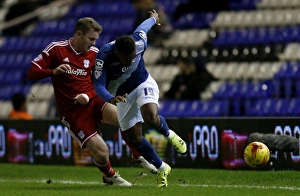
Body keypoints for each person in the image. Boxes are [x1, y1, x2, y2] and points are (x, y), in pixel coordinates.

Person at [27, 17, 138, 186]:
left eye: (96, 40)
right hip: (73, 112)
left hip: (93, 100)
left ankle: (138, 156)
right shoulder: (56, 49)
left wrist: (87, 95)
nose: (93, 44)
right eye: (91, 39)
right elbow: (32, 72)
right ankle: (110, 176)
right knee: (102, 153)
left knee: (125, 119)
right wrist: (53, 72)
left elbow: (101, 83)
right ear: (79, 34)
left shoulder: (95, 54)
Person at [93, 10, 187, 188]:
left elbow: (143, 27)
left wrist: (153, 18)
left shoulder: (139, 42)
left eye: (133, 56)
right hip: (121, 97)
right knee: (134, 140)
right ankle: (162, 168)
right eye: (127, 59)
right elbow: (98, 86)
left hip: (143, 82)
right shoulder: (103, 57)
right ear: (117, 54)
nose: (131, 59)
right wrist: (111, 99)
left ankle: (171, 136)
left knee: (151, 117)